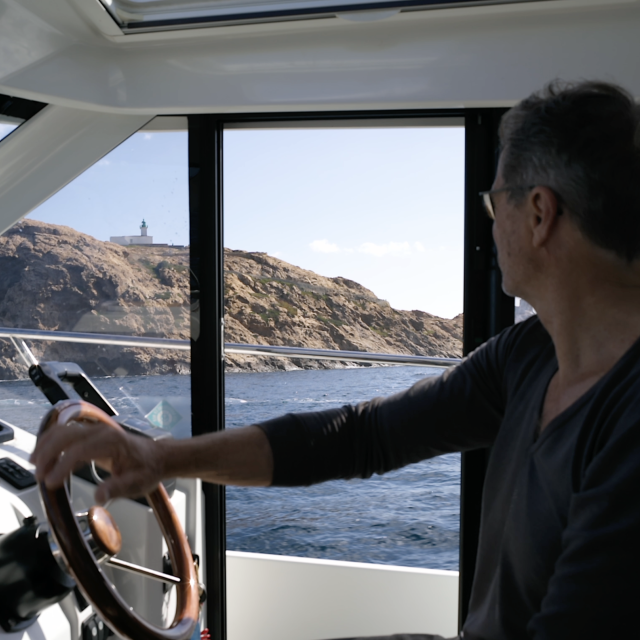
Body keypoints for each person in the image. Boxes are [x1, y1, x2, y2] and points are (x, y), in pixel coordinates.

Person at [31, 80, 640, 640]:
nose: (489, 224)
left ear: (539, 214)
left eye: (493, 203)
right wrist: (162, 458)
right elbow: (361, 435)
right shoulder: (529, 354)